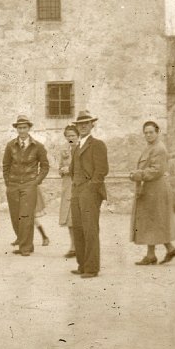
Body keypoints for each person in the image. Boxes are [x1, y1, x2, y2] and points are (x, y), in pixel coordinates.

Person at [129, 121, 175, 265]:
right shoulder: (151, 147)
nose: (148, 135)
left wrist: (138, 175)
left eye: (151, 132)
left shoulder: (159, 148)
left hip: (156, 190)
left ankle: (157, 253)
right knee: (151, 221)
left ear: (158, 132)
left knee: (154, 221)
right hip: (150, 189)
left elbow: (157, 170)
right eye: (146, 132)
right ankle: (160, 252)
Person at [3, 115, 50, 257]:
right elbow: (5, 165)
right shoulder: (10, 145)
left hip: (29, 184)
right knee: (15, 216)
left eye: (24, 127)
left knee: (26, 216)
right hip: (13, 184)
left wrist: (36, 181)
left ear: (29, 128)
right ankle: (23, 243)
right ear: (16, 129)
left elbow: (45, 166)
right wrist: (8, 182)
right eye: (19, 128)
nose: (22, 130)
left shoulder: (38, 146)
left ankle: (25, 247)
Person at [69, 110, 109, 278]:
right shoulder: (77, 146)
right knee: (78, 228)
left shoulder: (97, 144)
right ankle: (82, 264)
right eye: (80, 124)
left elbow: (102, 170)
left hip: (90, 192)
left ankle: (92, 268)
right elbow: (73, 170)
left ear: (92, 125)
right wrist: (76, 188)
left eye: (87, 123)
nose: (83, 126)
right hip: (76, 191)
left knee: (90, 229)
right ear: (77, 127)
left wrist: (90, 188)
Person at [59, 124, 79, 258]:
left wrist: (70, 170)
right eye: (68, 136)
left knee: (78, 217)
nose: (70, 138)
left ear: (78, 136)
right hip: (67, 186)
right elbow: (60, 166)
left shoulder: (81, 148)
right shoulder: (64, 150)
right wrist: (62, 170)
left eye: (73, 135)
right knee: (69, 218)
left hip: (78, 185)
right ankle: (73, 246)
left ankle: (80, 246)